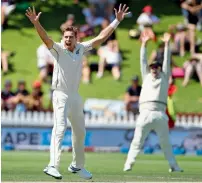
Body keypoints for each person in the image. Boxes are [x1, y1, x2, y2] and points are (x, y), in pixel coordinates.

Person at [25, 5, 130, 180]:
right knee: (60, 127)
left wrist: (117, 21)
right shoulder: (58, 49)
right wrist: (36, 23)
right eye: (65, 37)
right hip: (60, 93)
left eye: (70, 37)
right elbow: (46, 38)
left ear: (76, 38)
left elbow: (100, 38)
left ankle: (77, 165)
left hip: (74, 95)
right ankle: (52, 165)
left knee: (80, 131)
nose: (67, 39)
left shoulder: (81, 48)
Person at [123, 32, 183, 173]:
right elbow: (142, 60)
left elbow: (167, 61)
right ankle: (128, 165)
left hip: (159, 113)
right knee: (137, 141)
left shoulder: (164, 77)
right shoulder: (146, 77)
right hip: (145, 112)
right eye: (152, 67)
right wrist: (143, 45)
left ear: (159, 69)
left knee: (165, 143)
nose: (154, 69)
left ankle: (174, 166)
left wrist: (167, 44)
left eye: (156, 67)